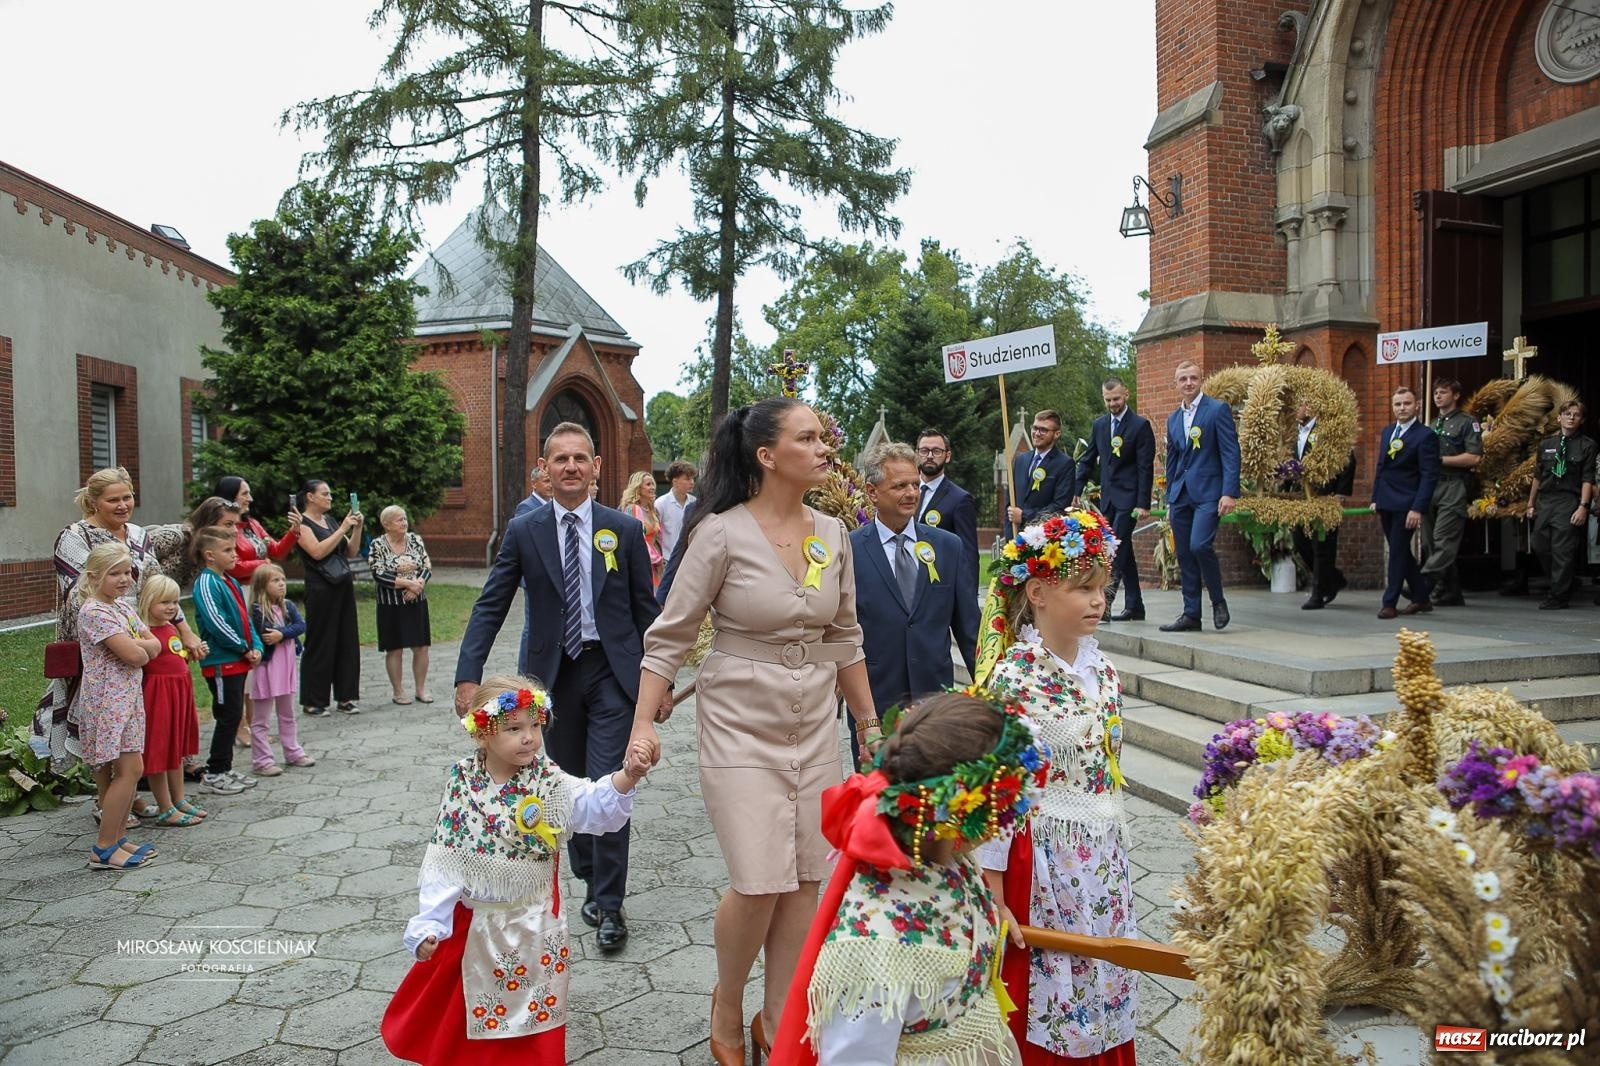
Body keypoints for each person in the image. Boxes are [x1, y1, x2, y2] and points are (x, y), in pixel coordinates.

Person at [627, 397, 877, 1066]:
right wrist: (642, 723)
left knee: (802, 882)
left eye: (825, 436)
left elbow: (845, 636)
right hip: (738, 726)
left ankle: (779, 1018)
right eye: (808, 438)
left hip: (814, 731)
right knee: (758, 877)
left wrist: (870, 727)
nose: (825, 448)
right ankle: (728, 1000)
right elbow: (668, 639)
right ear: (767, 456)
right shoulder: (721, 534)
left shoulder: (833, 533)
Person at [454, 422, 663, 953]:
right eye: (559, 459)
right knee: (565, 782)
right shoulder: (525, 531)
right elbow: (492, 603)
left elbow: (647, 612)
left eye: (580, 458)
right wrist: (467, 673)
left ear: (595, 468)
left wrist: (660, 681)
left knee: (613, 780)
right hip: (551, 682)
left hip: (613, 675)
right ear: (544, 470)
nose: (570, 466)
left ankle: (612, 905)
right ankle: (590, 876)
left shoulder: (625, 530)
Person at [381, 675, 653, 1066]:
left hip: (536, 927)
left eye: (535, 725)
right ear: (482, 735)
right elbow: (447, 858)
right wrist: (430, 923)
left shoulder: (548, 780)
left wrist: (628, 776)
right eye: (514, 729)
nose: (529, 737)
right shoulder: (463, 785)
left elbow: (592, 805)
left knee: (534, 1022)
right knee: (472, 1021)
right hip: (478, 929)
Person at [767, 689, 1045, 1066]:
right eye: (1005, 797)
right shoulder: (873, 942)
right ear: (962, 806)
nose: (1013, 812)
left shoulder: (956, 862)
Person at [976, 508, 1139, 1065]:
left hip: (1103, 854)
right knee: (1054, 983)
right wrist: (993, 890)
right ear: (1040, 592)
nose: (1098, 600)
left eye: (1103, 588)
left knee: (1105, 971)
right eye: (1083, 588)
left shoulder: (1106, 672)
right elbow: (999, 790)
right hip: (1043, 859)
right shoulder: (1016, 677)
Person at [33, 467, 205, 793]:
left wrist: (183, 629)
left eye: (127, 497)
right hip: (100, 646)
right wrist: (126, 629)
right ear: (93, 502)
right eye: (113, 499)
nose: (123, 505)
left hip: (142, 640)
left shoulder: (139, 535)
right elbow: (80, 594)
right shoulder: (74, 537)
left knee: (138, 720)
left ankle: (134, 791)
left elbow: (157, 587)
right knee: (104, 726)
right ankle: (106, 801)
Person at [850, 442, 978, 766]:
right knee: (878, 805)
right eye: (899, 486)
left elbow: (969, 630)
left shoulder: (947, 547)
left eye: (915, 485)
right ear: (872, 491)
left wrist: (992, 692)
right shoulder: (849, 550)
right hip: (876, 710)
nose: (911, 493)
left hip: (934, 706)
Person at [77, 543, 164, 870]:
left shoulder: (123, 608)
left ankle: (116, 838)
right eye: (115, 573)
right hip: (107, 703)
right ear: (94, 576)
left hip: (128, 697)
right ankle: (103, 848)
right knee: (124, 771)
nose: (124, 579)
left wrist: (142, 647)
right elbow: (136, 655)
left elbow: (152, 644)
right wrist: (142, 648)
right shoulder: (94, 612)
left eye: (127, 572)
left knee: (133, 769)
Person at [1161, 360, 1240, 633]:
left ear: (1201, 379)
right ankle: (1191, 613)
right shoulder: (1173, 418)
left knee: (1199, 545)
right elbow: (1172, 462)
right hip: (1181, 494)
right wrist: (1170, 500)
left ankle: (1218, 601)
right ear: (1176, 384)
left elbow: (1230, 452)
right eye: (1183, 379)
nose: (1188, 383)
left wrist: (1229, 492)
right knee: (1184, 553)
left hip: (1209, 492)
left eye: (1193, 378)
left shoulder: (1217, 410)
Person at [1075, 378, 1156, 622]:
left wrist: (1143, 503)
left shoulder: (1140, 426)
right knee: (1123, 549)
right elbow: (1089, 458)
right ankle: (1135, 606)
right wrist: (1076, 488)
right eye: (1108, 400)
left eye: (1117, 399)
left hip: (1130, 499)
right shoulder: (1100, 425)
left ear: (1126, 395)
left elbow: (1145, 467)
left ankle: (1105, 603)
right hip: (1108, 498)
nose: (1113, 404)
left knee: (1114, 550)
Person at [192, 527, 264, 794]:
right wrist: (244, 648)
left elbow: (245, 620)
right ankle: (214, 773)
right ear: (210, 555)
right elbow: (217, 622)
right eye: (228, 551)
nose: (235, 555)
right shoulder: (207, 583)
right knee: (227, 715)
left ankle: (225, 767)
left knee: (235, 714)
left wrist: (255, 646)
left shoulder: (230, 581)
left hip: (239, 659)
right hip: (222, 663)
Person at [137, 575, 205, 826]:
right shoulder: (144, 632)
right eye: (164, 602)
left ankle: (179, 800)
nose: (172, 607)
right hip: (158, 697)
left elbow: (176, 654)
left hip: (179, 693)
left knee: (175, 750)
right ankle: (165, 807)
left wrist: (189, 655)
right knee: (159, 751)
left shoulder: (171, 627)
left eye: (175, 602)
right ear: (148, 601)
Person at [1371, 386, 1441, 619]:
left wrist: (1417, 508)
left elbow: (1429, 475)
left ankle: (1389, 602)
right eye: (1398, 404)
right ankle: (1421, 597)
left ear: (1417, 406)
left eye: (1407, 403)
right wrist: (1375, 498)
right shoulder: (1388, 431)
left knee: (1397, 551)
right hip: (1386, 501)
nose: (1402, 408)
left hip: (1407, 503)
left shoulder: (1425, 436)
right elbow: (1382, 466)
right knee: (1401, 551)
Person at [296, 479, 364, 716]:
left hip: (342, 585)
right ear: (309, 496)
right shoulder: (302, 524)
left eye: (330, 494)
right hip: (320, 588)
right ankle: (314, 700)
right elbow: (316, 551)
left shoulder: (331, 521)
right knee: (321, 641)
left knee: (347, 640)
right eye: (325, 494)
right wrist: (343, 528)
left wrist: (356, 528)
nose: (330, 498)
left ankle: (346, 697)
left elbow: (351, 551)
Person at [1286, 402, 1356, 610]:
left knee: (1323, 545)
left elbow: (1346, 458)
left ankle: (1318, 593)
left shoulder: (1326, 430)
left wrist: (1341, 493)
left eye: (1298, 405)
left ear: (1309, 407)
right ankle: (1333, 578)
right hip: (1303, 498)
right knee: (1300, 540)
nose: (1295, 410)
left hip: (1327, 494)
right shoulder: (1294, 433)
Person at [1419, 379, 1483, 607]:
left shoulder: (1467, 422)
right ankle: (1449, 590)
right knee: (1429, 542)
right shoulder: (1431, 424)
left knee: (1444, 538)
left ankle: (1424, 580)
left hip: (1453, 484)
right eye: (1435, 392)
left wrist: (1441, 459)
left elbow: (1474, 457)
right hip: (1431, 485)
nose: (1438, 396)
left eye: (1443, 392)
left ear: (1455, 395)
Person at [1527, 401, 1595, 610]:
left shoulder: (1587, 445)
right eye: (1567, 414)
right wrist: (1530, 503)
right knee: (1539, 545)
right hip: (1546, 499)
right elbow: (1538, 476)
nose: (1571, 418)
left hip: (1568, 500)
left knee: (1562, 550)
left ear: (1582, 420)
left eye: (1576, 415)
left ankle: (1558, 596)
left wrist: (1583, 506)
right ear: (1559, 418)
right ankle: (1566, 581)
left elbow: (1587, 479)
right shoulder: (1546, 444)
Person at [248, 564, 314, 774]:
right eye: (275, 581)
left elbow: (301, 625)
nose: (282, 585)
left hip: (286, 667)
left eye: (283, 580)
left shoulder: (287, 606)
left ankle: (293, 751)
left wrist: (282, 634)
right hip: (268, 668)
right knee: (261, 718)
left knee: (287, 713)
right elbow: (265, 633)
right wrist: (283, 633)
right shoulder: (258, 610)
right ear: (262, 586)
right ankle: (262, 760)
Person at [370, 505, 434, 704]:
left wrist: (418, 585)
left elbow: (426, 565)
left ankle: (420, 689)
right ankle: (398, 692)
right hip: (390, 604)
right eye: (399, 520)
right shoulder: (377, 544)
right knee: (395, 648)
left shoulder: (415, 540)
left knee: (421, 647)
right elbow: (378, 573)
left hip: (416, 602)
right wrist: (408, 583)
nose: (404, 523)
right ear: (386, 524)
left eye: (405, 519)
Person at [914, 428, 980, 589]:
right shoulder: (907, 491)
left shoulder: (960, 499)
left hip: (938, 586)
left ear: (947, 456)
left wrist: (968, 600)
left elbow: (968, 555)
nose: (929, 456)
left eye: (936, 451)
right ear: (917, 454)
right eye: (924, 450)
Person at [214, 475, 302, 582]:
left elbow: (277, 552)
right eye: (245, 494)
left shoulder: (252, 524)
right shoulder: (220, 527)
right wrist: (265, 563)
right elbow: (235, 567)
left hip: (259, 588)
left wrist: (294, 530)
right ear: (230, 496)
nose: (250, 499)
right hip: (237, 589)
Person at [1005, 410, 1076, 540]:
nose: (1036, 433)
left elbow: (1059, 507)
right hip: (1015, 539)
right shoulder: (1020, 460)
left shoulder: (1064, 464)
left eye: (1043, 430)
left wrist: (1024, 516)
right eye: (1035, 428)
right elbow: (1009, 500)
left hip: (1043, 540)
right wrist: (1010, 536)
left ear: (1057, 434)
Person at [618, 470, 665, 587]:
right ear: (638, 487)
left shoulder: (652, 511)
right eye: (648, 484)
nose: (653, 487)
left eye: (653, 484)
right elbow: (637, 539)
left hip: (654, 566)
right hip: (639, 563)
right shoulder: (632, 509)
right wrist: (656, 558)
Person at [656, 460, 697, 562]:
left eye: (693, 478)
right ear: (675, 482)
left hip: (690, 560)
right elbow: (654, 535)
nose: (692, 482)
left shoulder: (695, 502)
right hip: (668, 561)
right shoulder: (660, 504)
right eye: (687, 479)